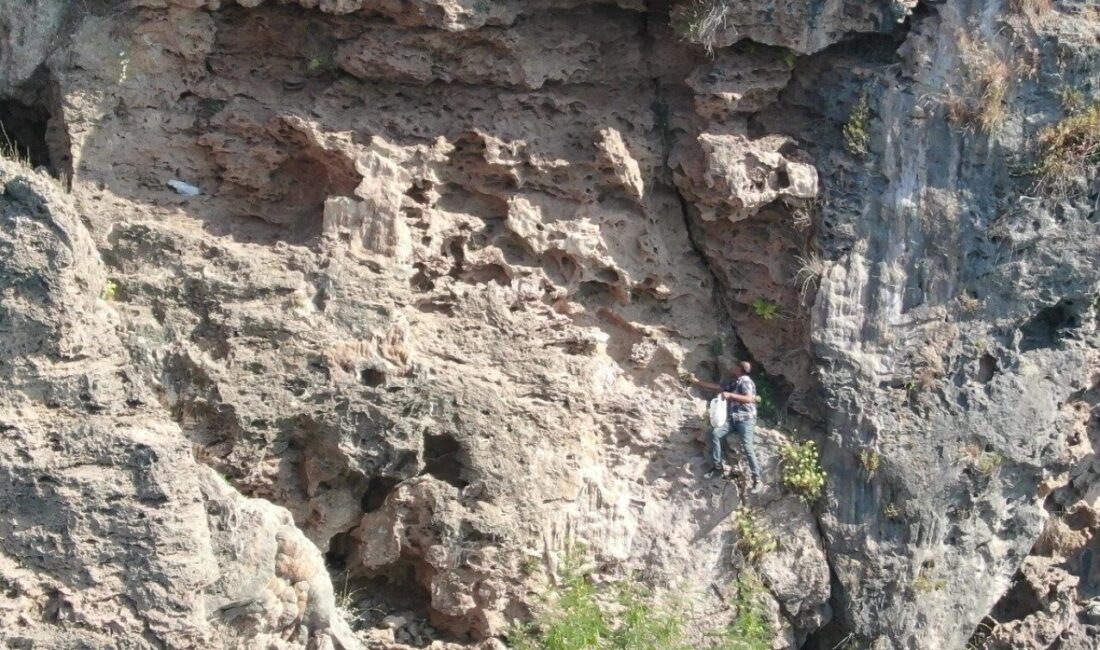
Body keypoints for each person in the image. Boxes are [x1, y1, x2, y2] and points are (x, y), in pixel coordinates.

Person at [689, 361, 763, 493]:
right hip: (733, 420)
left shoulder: (746, 381)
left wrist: (730, 395)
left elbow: (750, 399)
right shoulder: (735, 382)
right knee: (715, 434)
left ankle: (757, 479)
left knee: (747, 446)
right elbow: (718, 387)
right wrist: (697, 382)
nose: (733, 368)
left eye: (736, 367)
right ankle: (718, 468)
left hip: (745, 419)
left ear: (740, 369)